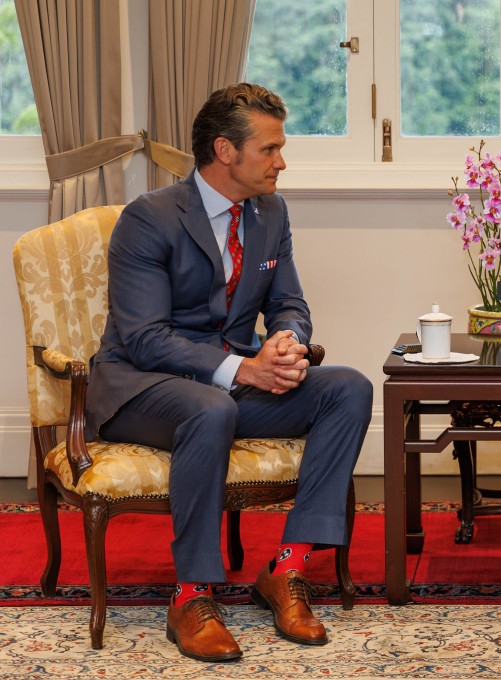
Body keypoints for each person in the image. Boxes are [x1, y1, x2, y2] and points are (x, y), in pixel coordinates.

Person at [85, 83, 373, 662]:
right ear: (225, 150)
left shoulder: (271, 212)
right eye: (269, 149)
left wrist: (290, 341)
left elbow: (289, 300)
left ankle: (287, 570)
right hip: (142, 389)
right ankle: (192, 595)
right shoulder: (150, 218)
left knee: (348, 387)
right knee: (210, 407)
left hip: (231, 385)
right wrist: (244, 367)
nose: (281, 161)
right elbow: (143, 338)